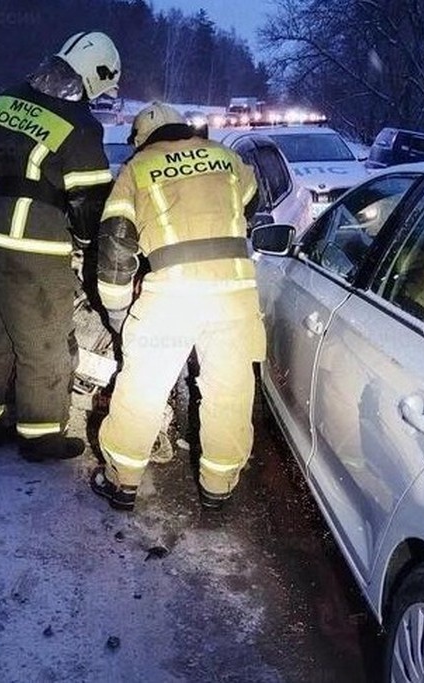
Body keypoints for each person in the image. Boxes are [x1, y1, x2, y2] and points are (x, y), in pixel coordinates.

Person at [89, 102, 265, 512]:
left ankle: (122, 482)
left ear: (141, 139)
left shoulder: (136, 168)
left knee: (143, 388)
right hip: (233, 294)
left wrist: (116, 310)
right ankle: (218, 487)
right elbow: (252, 205)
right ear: (184, 127)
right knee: (229, 391)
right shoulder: (223, 155)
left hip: (171, 296)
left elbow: (116, 243)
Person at [0, 32, 119, 462]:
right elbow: (88, 204)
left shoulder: (2, 99)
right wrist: (87, 245)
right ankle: (40, 437)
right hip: (35, 248)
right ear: (94, 73)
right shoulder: (81, 126)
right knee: (43, 344)